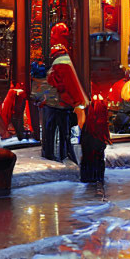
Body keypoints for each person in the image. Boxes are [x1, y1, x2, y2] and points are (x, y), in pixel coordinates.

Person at [45, 25, 86, 164]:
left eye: (52, 34)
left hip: (61, 103)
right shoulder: (68, 55)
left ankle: (55, 156)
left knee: (55, 131)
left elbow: (59, 82)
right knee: (64, 132)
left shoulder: (60, 60)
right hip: (67, 103)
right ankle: (64, 155)